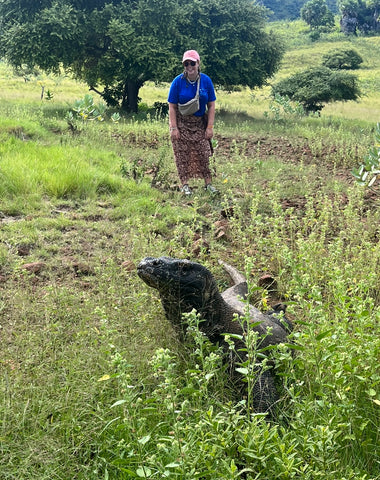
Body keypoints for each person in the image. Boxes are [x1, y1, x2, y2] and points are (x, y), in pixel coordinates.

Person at [168, 50, 218, 196]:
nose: (189, 66)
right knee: (182, 154)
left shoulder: (206, 81)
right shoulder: (178, 82)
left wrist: (209, 127)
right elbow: (172, 106)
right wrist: (174, 128)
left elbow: (212, 105)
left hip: (200, 122)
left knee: (204, 152)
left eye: (192, 63)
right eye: (186, 63)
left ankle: (208, 184)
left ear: (198, 64)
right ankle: (185, 185)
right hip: (181, 122)